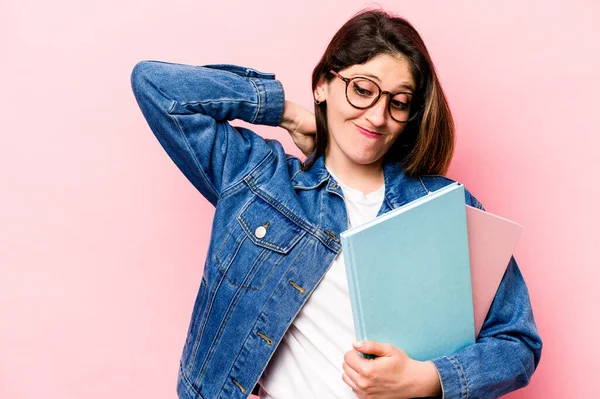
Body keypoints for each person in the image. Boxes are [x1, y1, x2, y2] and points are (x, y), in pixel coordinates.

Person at [130, 8, 542, 399]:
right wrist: (289, 114)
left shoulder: (445, 206)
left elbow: (517, 342)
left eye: (397, 102)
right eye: (362, 90)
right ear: (323, 84)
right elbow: (156, 86)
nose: (377, 116)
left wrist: (428, 378)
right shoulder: (259, 179)